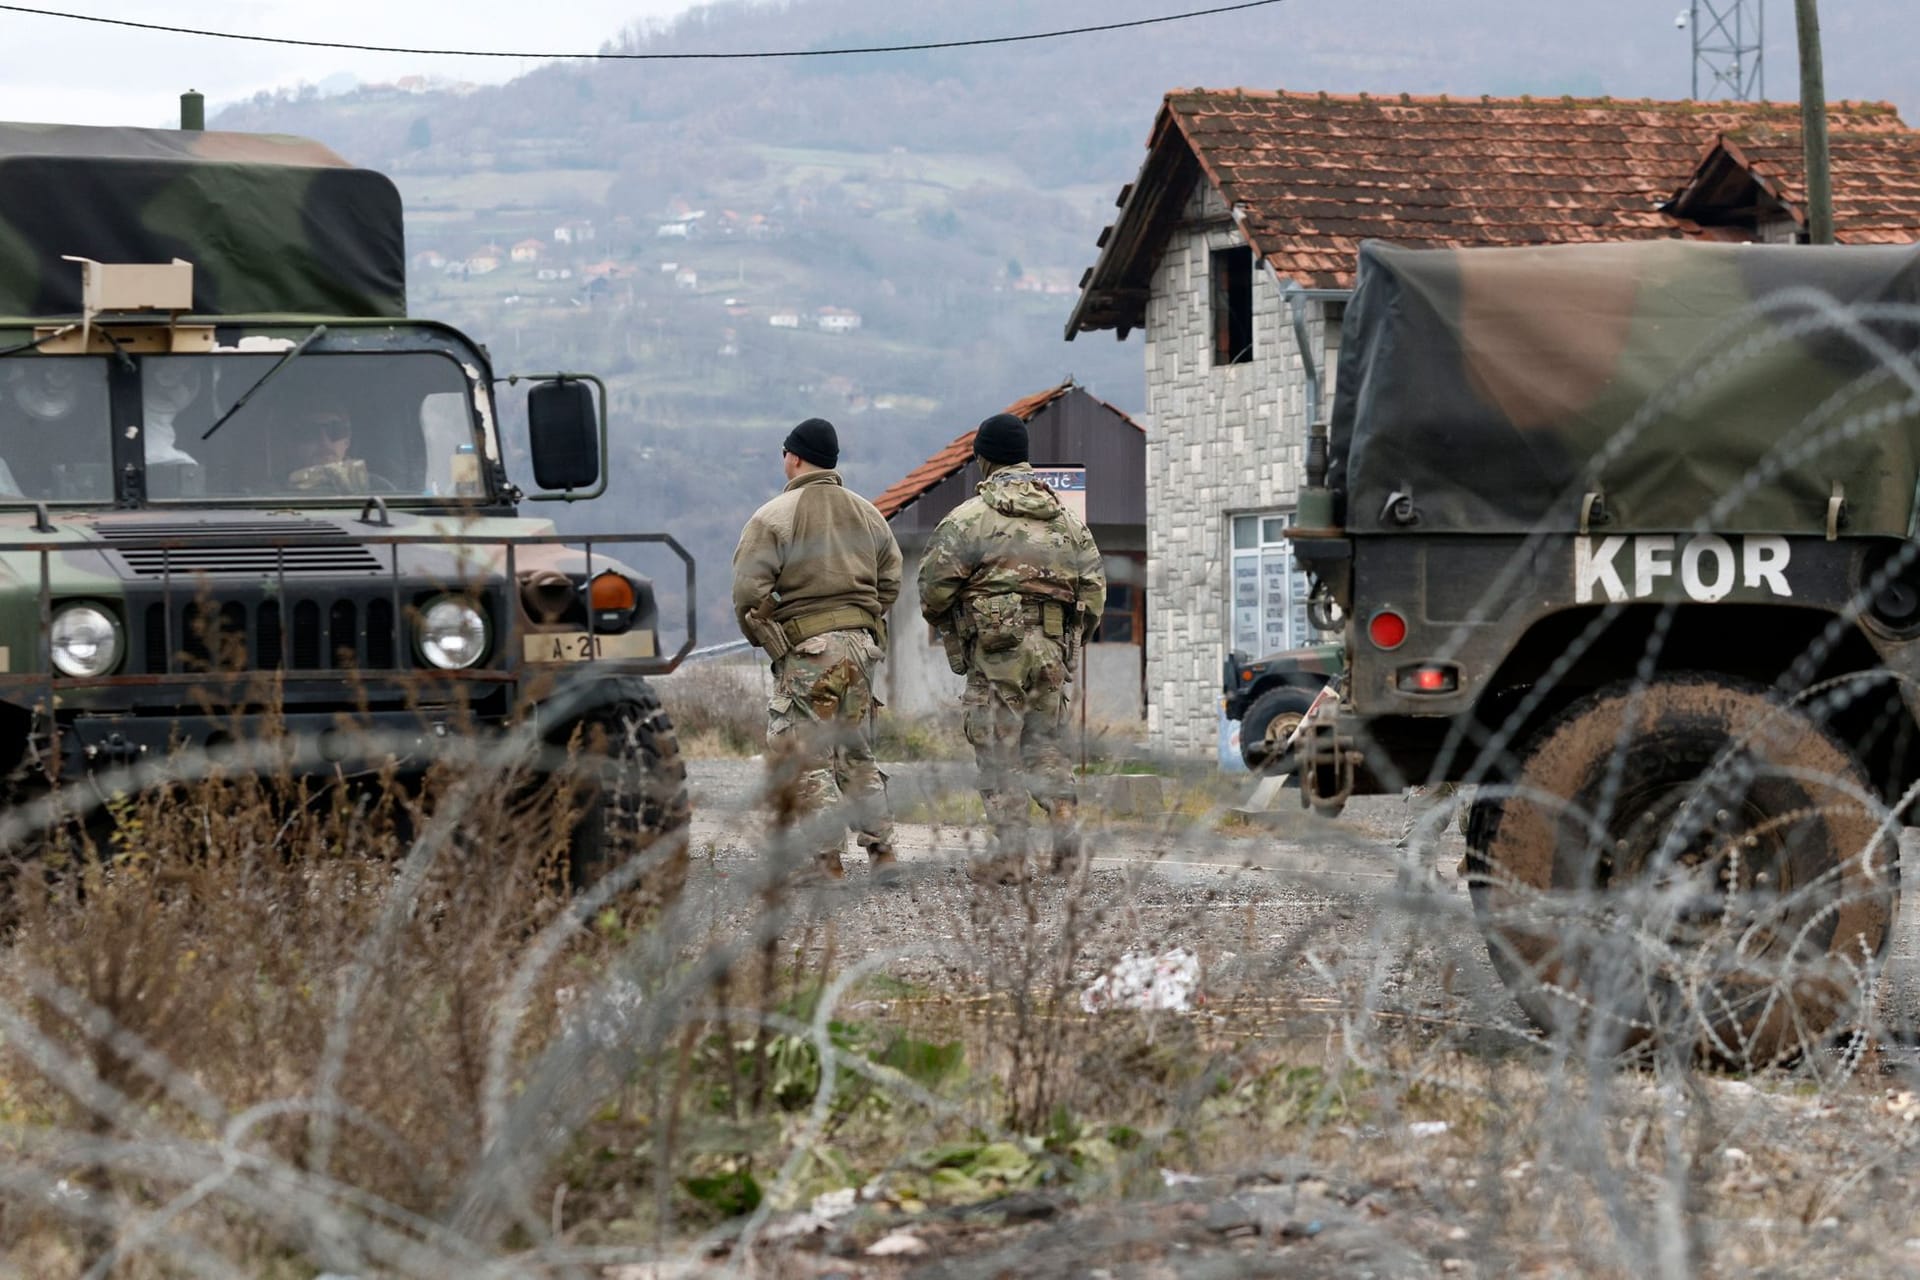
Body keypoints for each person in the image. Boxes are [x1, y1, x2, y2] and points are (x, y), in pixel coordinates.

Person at [919, 413, 1106, 884]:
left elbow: (933, 592)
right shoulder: (1068, 523)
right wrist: (1066, 640)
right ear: (1025, 459)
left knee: (999, 752)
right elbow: (1095, 590)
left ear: (982, 459)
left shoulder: (968, 520)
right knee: (1045, 747)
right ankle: (1065, 840)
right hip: (1051, 651)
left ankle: (1011, 859)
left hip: (996, 651)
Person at [731, 417, 903, 882]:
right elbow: (890, 580)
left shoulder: (773, 517)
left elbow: (749, 591)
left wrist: (767, 634)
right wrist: (862, 619)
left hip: (808, 650)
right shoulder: (869, 514)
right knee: (855, 751)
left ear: (794, 457)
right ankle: (882, 852)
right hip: (861, 648)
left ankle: (825, 860)